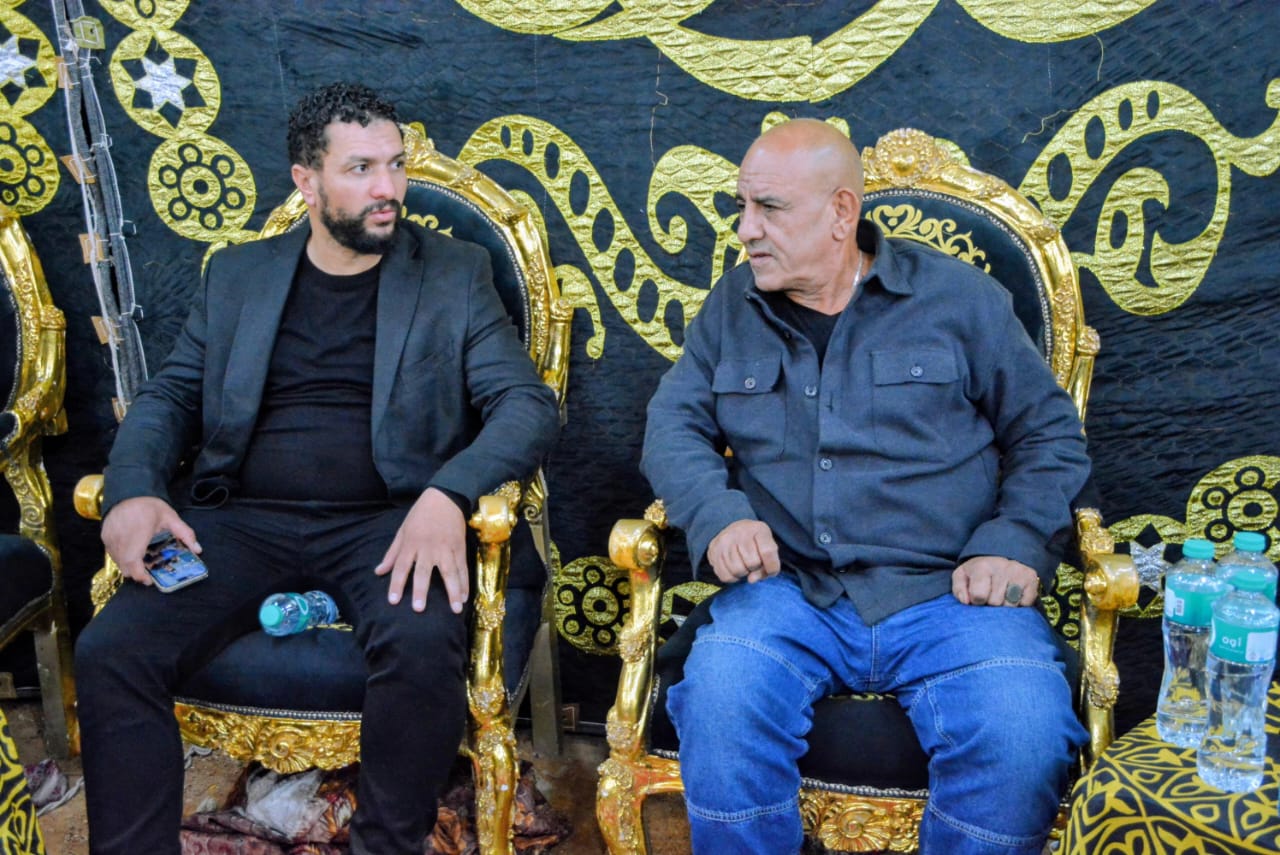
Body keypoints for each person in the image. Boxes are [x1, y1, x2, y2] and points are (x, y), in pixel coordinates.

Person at [74, 82, 561, 855]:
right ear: (307, 180)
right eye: (361, 168)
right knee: (111, 648)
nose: (388, 187)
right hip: (239, 519)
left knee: (420, 644)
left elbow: (526, 404)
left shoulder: (454, 272)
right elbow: (169, 397)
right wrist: (132, 492)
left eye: (395, 165)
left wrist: (448, 492)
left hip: (389, 521)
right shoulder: (237, 275)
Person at [641, 118, 1091, 854]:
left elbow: (1047, 434)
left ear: (841, 212)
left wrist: (1014, 541)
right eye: (742, 206)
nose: (745, 229)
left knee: (1021, 730)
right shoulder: (732, 306)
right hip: (790, 591)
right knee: (721, 701)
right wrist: (717, 514)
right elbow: (671, 424)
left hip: (949, 596)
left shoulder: (959, 300)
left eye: (769, 208)